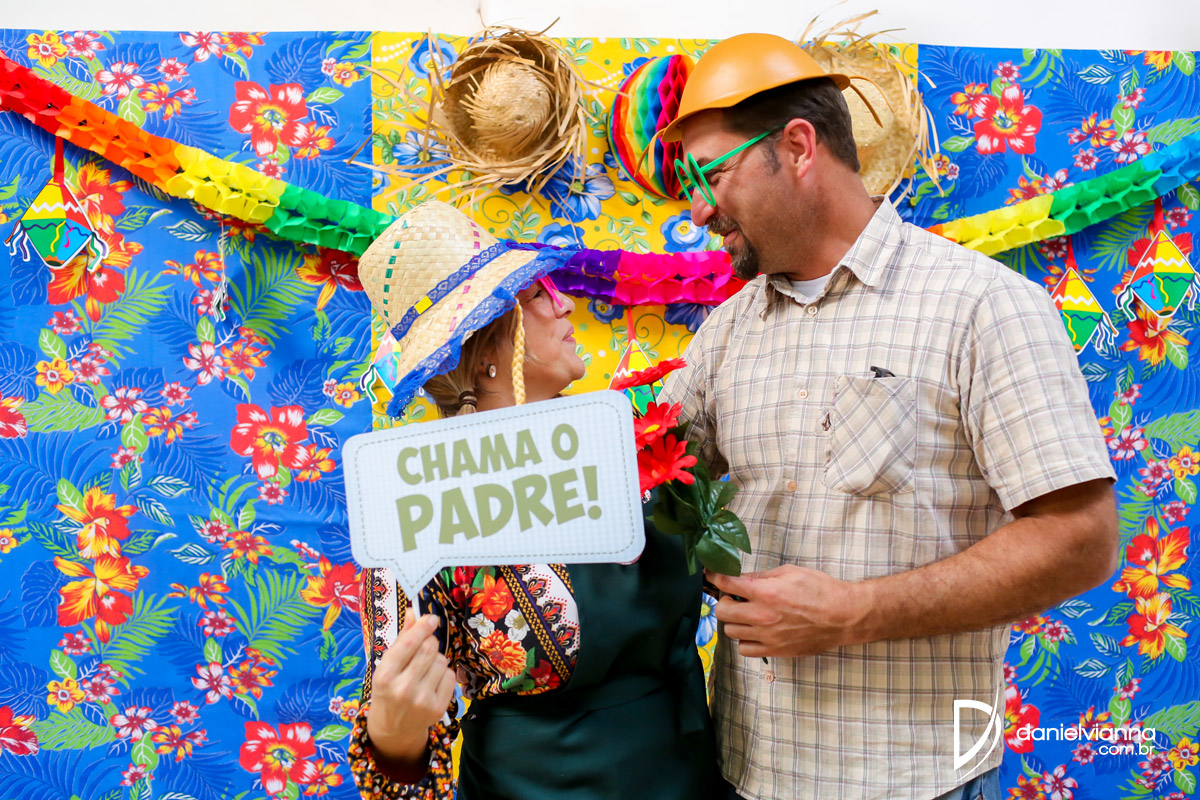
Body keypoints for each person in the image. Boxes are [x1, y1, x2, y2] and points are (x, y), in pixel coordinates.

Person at [656, 33, 1120, 800]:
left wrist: (855, 613)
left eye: (712, 174)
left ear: (797, 147)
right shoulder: (726, 333)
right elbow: (655, 489)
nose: (699, 207)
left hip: (919, 779)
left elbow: (1082, 539)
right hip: (747, 769)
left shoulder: (982, 306)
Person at [347, 200, 722, 800]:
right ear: (486, 349)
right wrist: (392, 730)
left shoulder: (630, 441)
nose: (565, 303)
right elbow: (397, 766)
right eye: (535, 292)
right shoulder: (416, 510)